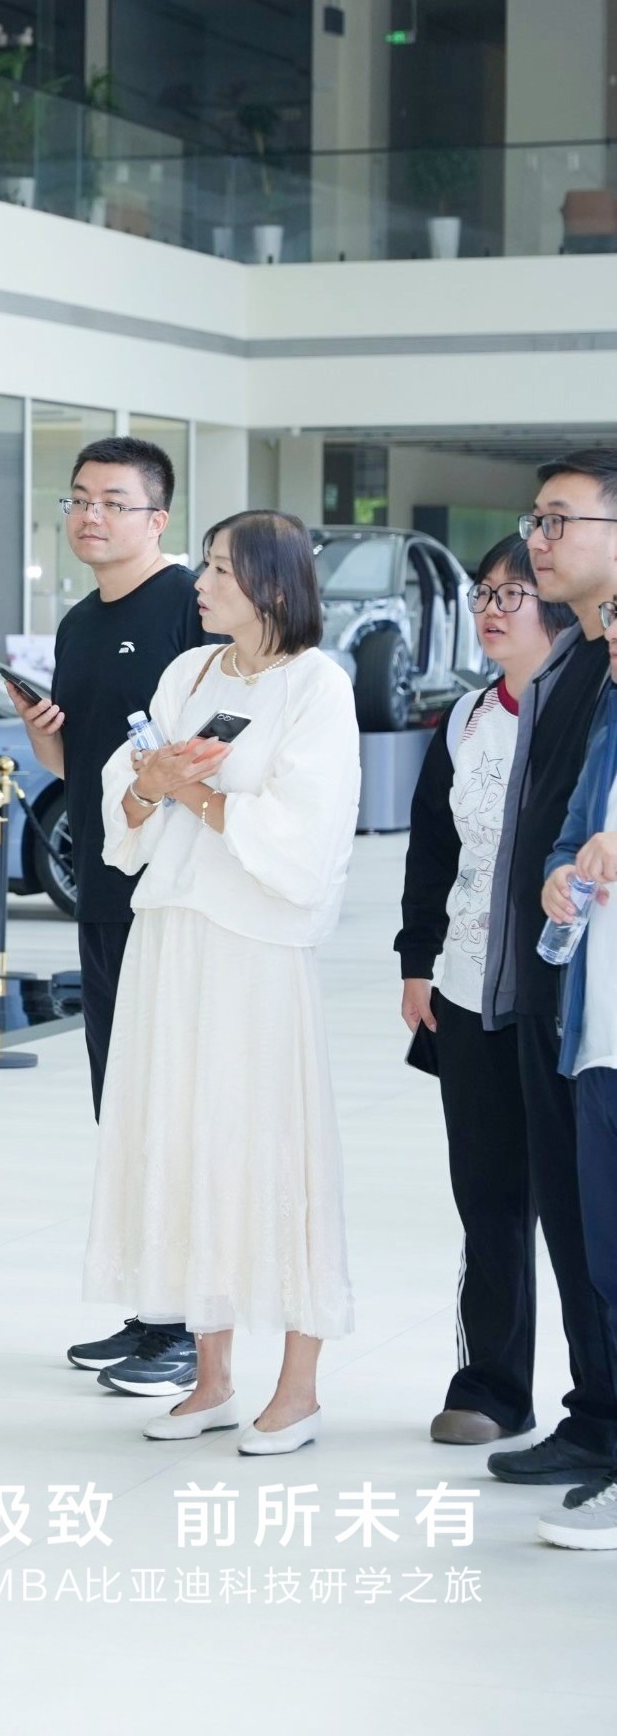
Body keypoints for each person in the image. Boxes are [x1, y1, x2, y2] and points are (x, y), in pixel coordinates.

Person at [90, 510, 358, 1452]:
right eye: (204, 567)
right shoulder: (190, 674)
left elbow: (305, 835)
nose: (200, 585)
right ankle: (211, 1378)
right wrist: (151, 784)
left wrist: (191, 791)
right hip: (173, 938)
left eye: (219, 571)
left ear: (273, 586)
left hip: (255, 950)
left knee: (271, 1148)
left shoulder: (317, 686)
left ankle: (299, 1388)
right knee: (186, 1142)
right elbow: (129, 796)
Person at [11, 436, 212, 1399]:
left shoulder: (188, 608)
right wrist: (42, 740)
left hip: (171, 897)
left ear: (157, 518)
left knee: (173, 1109)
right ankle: (151, 1309)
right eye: (79, 499)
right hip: (103, 891)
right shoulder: (80, 622)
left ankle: (192, 1328)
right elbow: (81, 766)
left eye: (114, 502)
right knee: (123, 1106)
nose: (90, 516)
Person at [397, 534, 571, 1446]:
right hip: (467, 990)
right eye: (483, 593)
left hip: (567, 999)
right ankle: (493, 1387)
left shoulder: (591, 714)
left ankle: (599, 1400)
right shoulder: (466, 718)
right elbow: (433, 848)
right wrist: (416, 960)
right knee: (489, 1197)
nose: (492, 610)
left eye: (514, 593)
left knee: (580, 1203)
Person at [482, 452, 617, 1492]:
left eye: (561, 519)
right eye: (536, 519)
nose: (539, 539)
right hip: (562, 985)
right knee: (575, 1221)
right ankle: (596, 1416)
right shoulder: (575, 661)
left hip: (585, 991)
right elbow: (560, 828)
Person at [531, 604, 617, 1547]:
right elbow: (571, 837)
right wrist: (559, 873)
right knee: (606, 1265)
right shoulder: (610, 715)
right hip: (599, 1037)